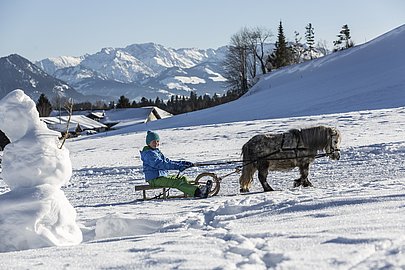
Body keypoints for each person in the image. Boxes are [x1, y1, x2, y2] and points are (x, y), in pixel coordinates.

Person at [140, 130, 212, 198]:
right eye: (153, 142)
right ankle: (198, 192)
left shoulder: (156, 152)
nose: (156, 143)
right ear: (148, 142)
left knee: (182, 178)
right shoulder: (148, 154)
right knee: (176, 182)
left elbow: (168, 161)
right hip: (154, 179)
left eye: (157, 141)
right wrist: (177, 166)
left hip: (161, 176)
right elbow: (161, 164)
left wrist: (182, 163)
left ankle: (201, 188)